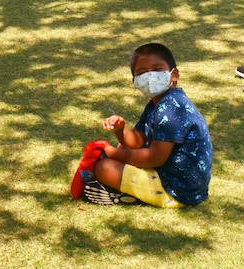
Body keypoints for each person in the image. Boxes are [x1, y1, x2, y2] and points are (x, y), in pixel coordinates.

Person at [78, 42, 213, 207]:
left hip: (178, 190)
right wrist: (121, 130)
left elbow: (155, 157)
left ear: (174, 75)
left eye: (156, 69)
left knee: (104, 167)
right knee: (119, 150)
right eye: (142, 73)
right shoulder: (157, 104)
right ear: (135, 81)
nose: (150, 77)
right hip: (170, 175)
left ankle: (135, 197)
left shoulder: (171, 107)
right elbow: (137, 141)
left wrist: (113, 154)